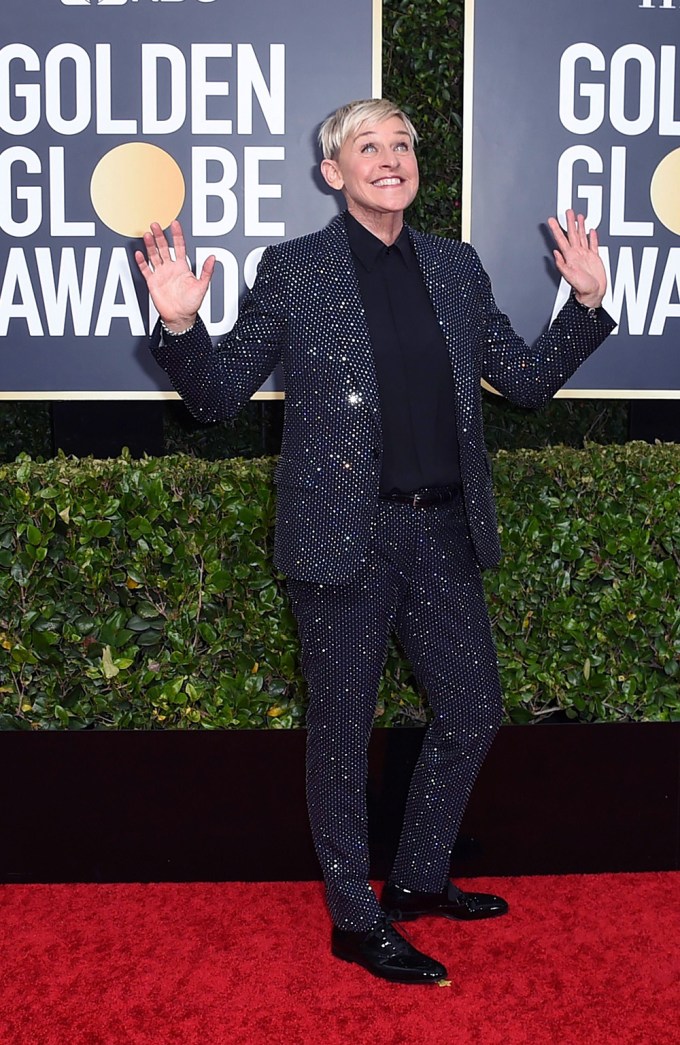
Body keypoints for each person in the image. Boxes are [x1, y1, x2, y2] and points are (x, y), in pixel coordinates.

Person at [135, 98, 615, 985]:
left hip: (440, 532)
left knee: (473, 708)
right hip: (341, 539)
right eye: (368, 146)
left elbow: (526, 381)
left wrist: (586, 304)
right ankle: (356, 919)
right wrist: (179, 326)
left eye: (402, 143)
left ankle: (419, 880)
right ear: (334, 172)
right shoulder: (295, 270)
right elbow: (216, 399)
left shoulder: (455, 266)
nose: (390, 157)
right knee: (342, 732)